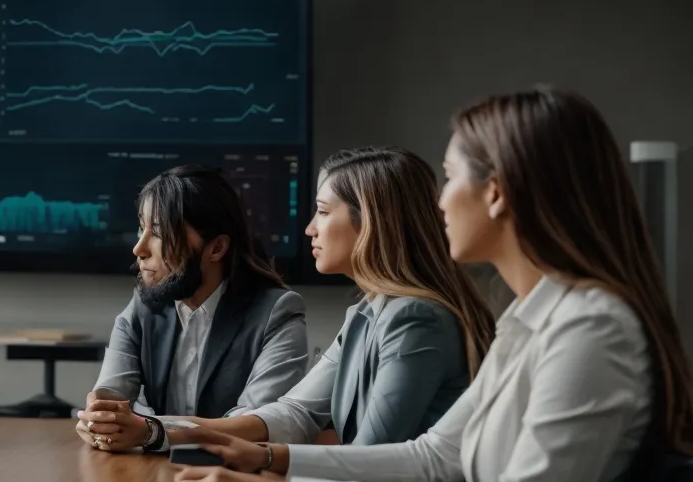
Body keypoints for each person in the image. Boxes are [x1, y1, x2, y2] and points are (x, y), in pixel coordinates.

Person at [170, 87, 693, 482]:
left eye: (450, 177)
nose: (439, 200)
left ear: (496, 193)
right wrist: (268, 459)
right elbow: (434, 456)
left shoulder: (591, 332)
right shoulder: (536, 315)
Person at [167, 147, 498, 447]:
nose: (310, 228)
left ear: (371, 222)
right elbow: (297, 411)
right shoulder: (366, 312)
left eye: (323, 213)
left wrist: (264, 463)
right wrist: (160, 430)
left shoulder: (416, 319)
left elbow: (369, 455)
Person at [75, 165, 308, 453]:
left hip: (236, 479)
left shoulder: (277, 311)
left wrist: (152, 432)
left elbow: (259, 423)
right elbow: (110, 395)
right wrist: (100, 420)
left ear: (216, 248)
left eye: (158, 232)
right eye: (141, 227)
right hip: (152, 476)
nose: (139, 248)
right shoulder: (143, 306)